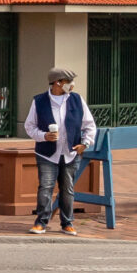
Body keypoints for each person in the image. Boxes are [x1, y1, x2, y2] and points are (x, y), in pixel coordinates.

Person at [23, 66, 97, 235]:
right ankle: (41, 222)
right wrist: (43, 136)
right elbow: (30, 126)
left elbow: (89, 125)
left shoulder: (77, 100)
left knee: (68, 189)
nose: (72, 85)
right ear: (57, 83)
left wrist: (85, 143)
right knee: (46, 187)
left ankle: (67, 223)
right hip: (47, 153)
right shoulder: (39, 101)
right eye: (68, 81)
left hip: (70, 153)